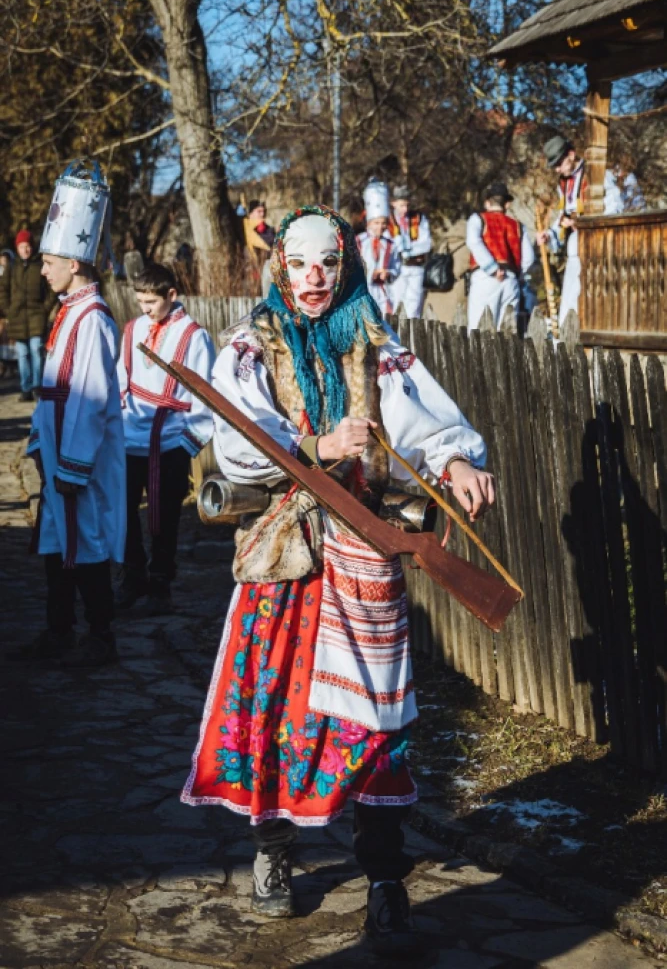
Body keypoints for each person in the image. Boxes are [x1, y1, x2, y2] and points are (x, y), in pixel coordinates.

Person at [181, 205, 495, 953]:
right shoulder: (251, 346)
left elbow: (426, 421)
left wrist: (452, 459)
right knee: (273, 710)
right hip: (285, 559)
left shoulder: (373, 343)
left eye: (328, 264)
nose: (315, 280)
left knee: (375, 725)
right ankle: (274, 856)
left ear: (345, 264)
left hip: (361, 561)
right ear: (281, 267)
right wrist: (315, 443)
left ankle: (385, 877)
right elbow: (235, 441)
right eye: (301, 265)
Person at [8, 160, 125, 668]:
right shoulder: (69, 314)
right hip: (59, 450)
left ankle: (101, 636)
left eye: (50, 261)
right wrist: (40, 439)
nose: (43, 269)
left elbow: (91, 398)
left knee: (85, 540)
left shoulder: (92, 320)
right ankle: (59, 628)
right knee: (56, 539)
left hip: (80, 458)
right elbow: (54, 389)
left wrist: (73, 464)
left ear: (75, 263)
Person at [115, 263, 215, 614]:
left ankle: (160, 584)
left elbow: (205, 395)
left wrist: (189, 441)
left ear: (171, 295)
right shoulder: (133, 329)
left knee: (165, 517)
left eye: (151, 302)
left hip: (170, 440)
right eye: (140, 301)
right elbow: (120, 381)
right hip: (129, 440)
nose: (145, 309)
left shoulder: (193, 336)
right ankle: (132, 574)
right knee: (123, 512)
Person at [466, 181, 534, 330]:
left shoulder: (478, 219)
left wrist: (492, 268)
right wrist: (518, 275)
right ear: (507, 204)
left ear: (487, 203)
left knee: (479, 330)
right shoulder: (518, 226)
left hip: (485, 277)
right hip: (511, 281)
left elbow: (474, 242)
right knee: (507, 333)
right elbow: (529, 258)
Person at [536, 135, 587, 327]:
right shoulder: (563, 184)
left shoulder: (595, 175)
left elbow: (612, 210)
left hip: (595, 251)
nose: (557, 169)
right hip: (574, 252)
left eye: (559, 163)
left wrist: (578, 222)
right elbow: (562, 216)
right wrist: (550, 234)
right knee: (568, 310)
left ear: (571, 155)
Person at [0, 230, 55, 401]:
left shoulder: (40, 266)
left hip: (36, 316)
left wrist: (45, 308)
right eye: (22, 246)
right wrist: (8, 309)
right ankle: (25, 388)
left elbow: (51, 290)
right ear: (17, 248)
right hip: (17, 317)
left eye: (28, 246)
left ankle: (37, 386)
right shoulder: (12, 267)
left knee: (37, 350)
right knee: (22, 354)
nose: (25, 250)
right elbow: (3, 289)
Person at [356, 180, 401, 317]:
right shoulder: (359, 241)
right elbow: (352, 267)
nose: (380, 227)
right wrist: (370, 273)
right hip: (363, 291)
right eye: (376, 223)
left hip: (383, 292)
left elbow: (396, 266)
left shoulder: (389, 244)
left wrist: (388, 273)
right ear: (369, 222)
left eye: (383, 223)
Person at [388, 185, 431, 318]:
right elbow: (391, 244)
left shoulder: (418, 218)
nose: (405, 209)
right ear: (393, 203)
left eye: (407, 205)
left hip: (416, 266)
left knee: (414, 304)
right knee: (397, 301)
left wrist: (408, 249)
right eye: (401, 205)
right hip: (398, 267)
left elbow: (426, 244)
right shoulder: (389, 221)